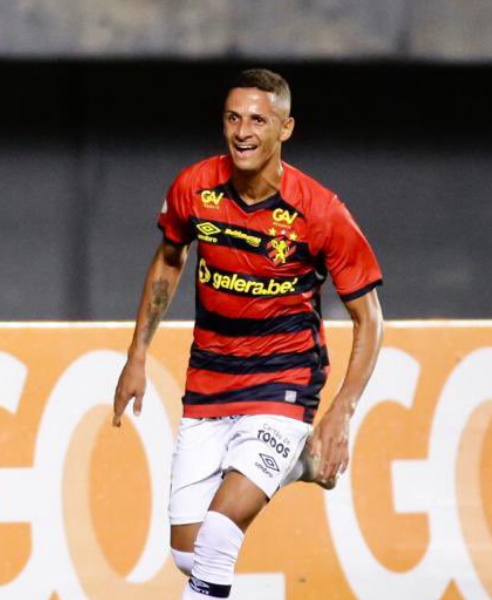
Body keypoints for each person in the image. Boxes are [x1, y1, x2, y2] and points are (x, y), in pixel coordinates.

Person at [112, 68, 384, 599]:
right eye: (233, 118)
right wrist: (137, 354)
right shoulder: (194, 188)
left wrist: (342, 410)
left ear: (286, 128)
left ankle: (293, 446)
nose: (243, 132)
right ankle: (302, 463)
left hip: (284, 382)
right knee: (187, 553)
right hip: (210, 383)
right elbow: (170, 259)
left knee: (217, 538)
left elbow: (369, 318)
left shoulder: (321, 212)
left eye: (259, 120)